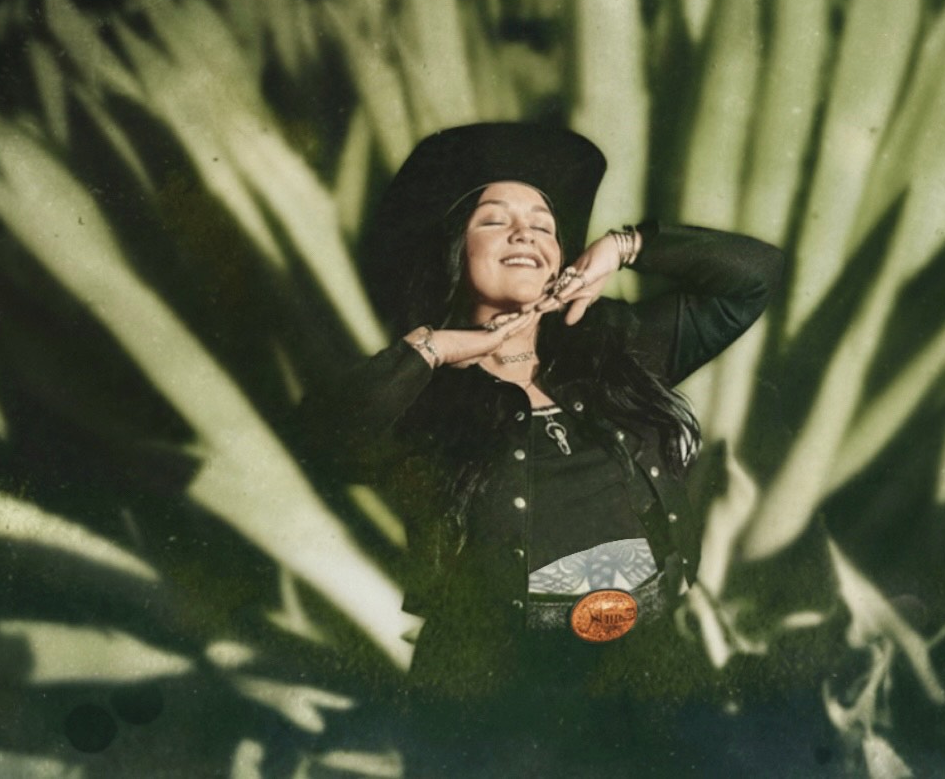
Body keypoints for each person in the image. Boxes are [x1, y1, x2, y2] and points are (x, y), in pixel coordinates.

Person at [293, 122, 783, 775]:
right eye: (494, 221)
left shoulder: (620, 348)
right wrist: (433, 350)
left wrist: (623, 246)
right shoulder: (420, 391)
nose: (525, 233)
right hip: (496, 699)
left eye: (544, 224)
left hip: (649, 674)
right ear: (454, 251)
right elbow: (322, 441)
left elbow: (754, 277)